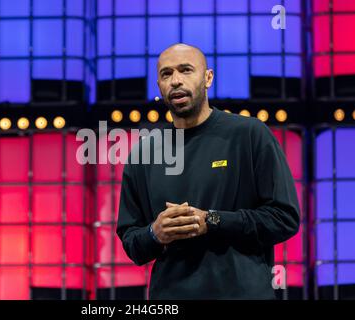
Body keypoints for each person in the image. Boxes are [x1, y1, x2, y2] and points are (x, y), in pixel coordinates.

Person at [116, 43, 300, 299]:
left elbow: (284, 218)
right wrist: (154, 233)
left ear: (208, 78)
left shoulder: (249, 134)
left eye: (186, 70)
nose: (176, 81)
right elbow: (132, 242)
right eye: (166, 74)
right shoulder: (144, 153)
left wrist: (212, 221)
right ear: (159, 85)